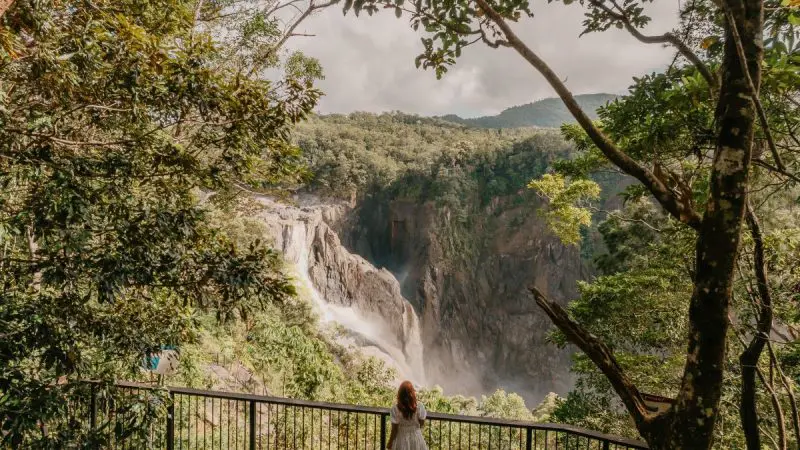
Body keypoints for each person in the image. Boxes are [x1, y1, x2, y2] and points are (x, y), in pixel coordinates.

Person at [387, 381, 428, 450]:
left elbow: (394, 429)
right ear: (412, 393)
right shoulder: (419, 406)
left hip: (401, 438)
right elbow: (422, 423)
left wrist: (390, 442)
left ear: (400, 394)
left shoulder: (395, 408)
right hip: (416, 437)